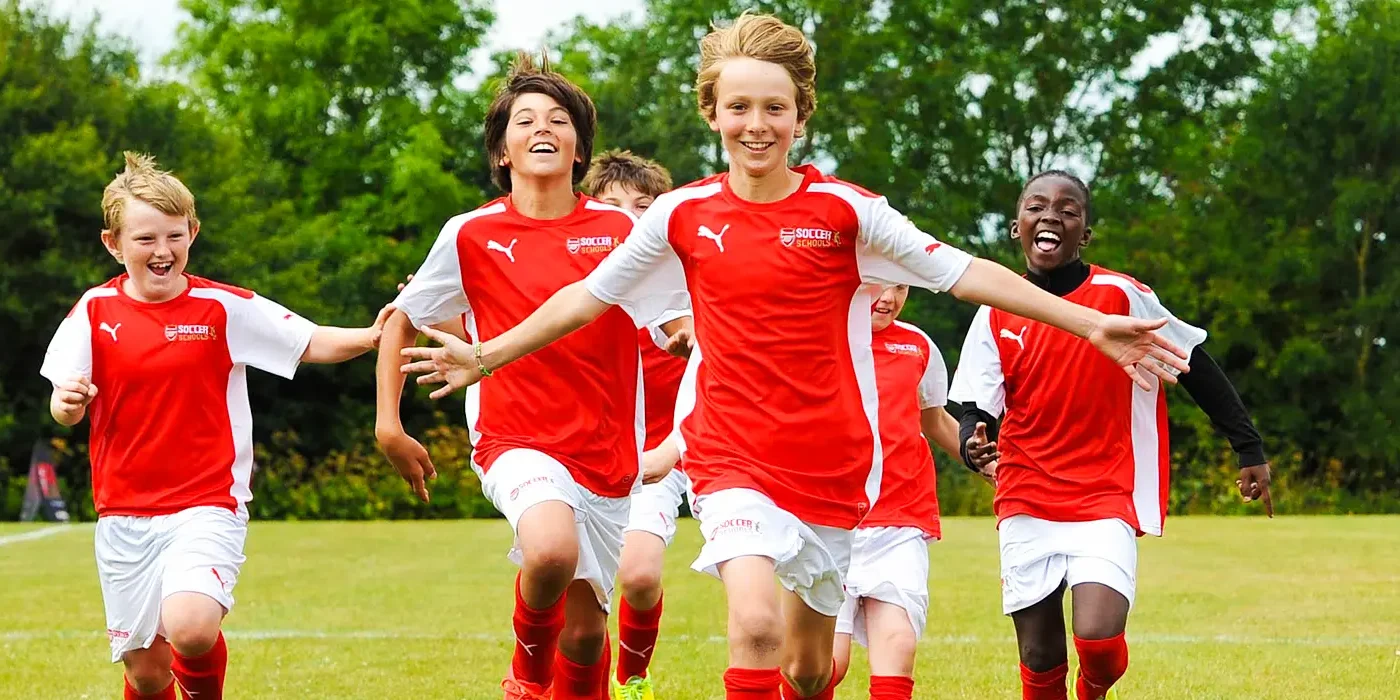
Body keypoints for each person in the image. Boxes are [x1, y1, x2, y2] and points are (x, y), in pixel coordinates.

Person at [398, 14, 1189, 700]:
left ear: (799, 116)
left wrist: (1084, 324)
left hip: (835, 467)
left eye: (773, 107)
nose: (756, 124)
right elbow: (587, 298)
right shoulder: (680, 215)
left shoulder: (846, 212)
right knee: (751, 626)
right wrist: (489, 354)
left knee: (811, 671)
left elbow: (963, 273)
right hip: (729, 457)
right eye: (738, 106)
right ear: (712, 112)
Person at [373, 56, 687, 700]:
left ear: (579, 150)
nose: (543, 128)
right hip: (515, 439)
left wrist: (688, 331)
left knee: (583, 632)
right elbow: (402, 319)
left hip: (607, 454)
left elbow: (679, 316)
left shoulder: (623, 232)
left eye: (559, 119)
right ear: (502, 151)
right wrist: (388, 427)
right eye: (525, 120)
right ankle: (524, 678)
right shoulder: (471, 234)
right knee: (547, 550)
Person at [41, 152, 390, 700]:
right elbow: (64, 405)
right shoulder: (93, 310)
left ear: (193, 233)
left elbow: (310, 340)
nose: (163, 252)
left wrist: (374, 335)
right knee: (146, 673)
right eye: (146, 239)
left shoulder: (222, 308)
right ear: (113, 243)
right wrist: (69, 401)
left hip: (206, 503)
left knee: (191, 625)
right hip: (123, 512)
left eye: (175, 237)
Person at [951, 170, 1273, 700]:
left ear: (1086, 234)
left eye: (1068, 209)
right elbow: (975, 408)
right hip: (1027, 493)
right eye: (1037, 206)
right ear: (1016, 227)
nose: (1051, 215)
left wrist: (1248, 447)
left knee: (1098, 639)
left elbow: (1195, 364)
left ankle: (1094, 689)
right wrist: (971, 441)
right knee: (1039, 655)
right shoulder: (997, 309)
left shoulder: (1123, 295)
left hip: (1105, 491)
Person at [582, 150, 690, 700]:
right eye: (611, 205)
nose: (627, 217)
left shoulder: (678, 279)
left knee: (641, 574)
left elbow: (702, 326)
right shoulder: (579, 290)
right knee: (611, 581)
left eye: (642, 207)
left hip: (680, 450)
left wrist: (693, 331)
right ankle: (610, 684)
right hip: (610, 458)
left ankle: (632, 679)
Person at [827, 284, 961, 700]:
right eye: (878, 283)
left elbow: (934, 420)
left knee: (898, 643)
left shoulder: (918, 345)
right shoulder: (817, 337)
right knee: (824, 667)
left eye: (900, 286)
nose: (889, 296)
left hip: (901, 520)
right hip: (827, 523)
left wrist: (992, 465)